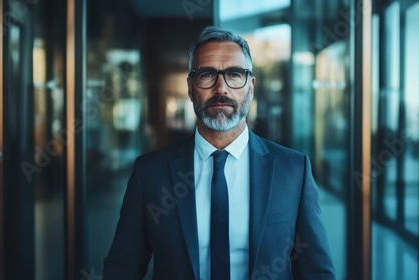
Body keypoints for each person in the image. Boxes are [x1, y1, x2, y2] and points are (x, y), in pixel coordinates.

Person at [103, 26, 335, 280]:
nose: (221, 88)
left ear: (251, 87)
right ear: (191, 88)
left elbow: (316, 271)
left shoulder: (293, 170)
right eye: (207, 75)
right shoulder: (149, 174)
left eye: (234, 75)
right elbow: (121, 270)